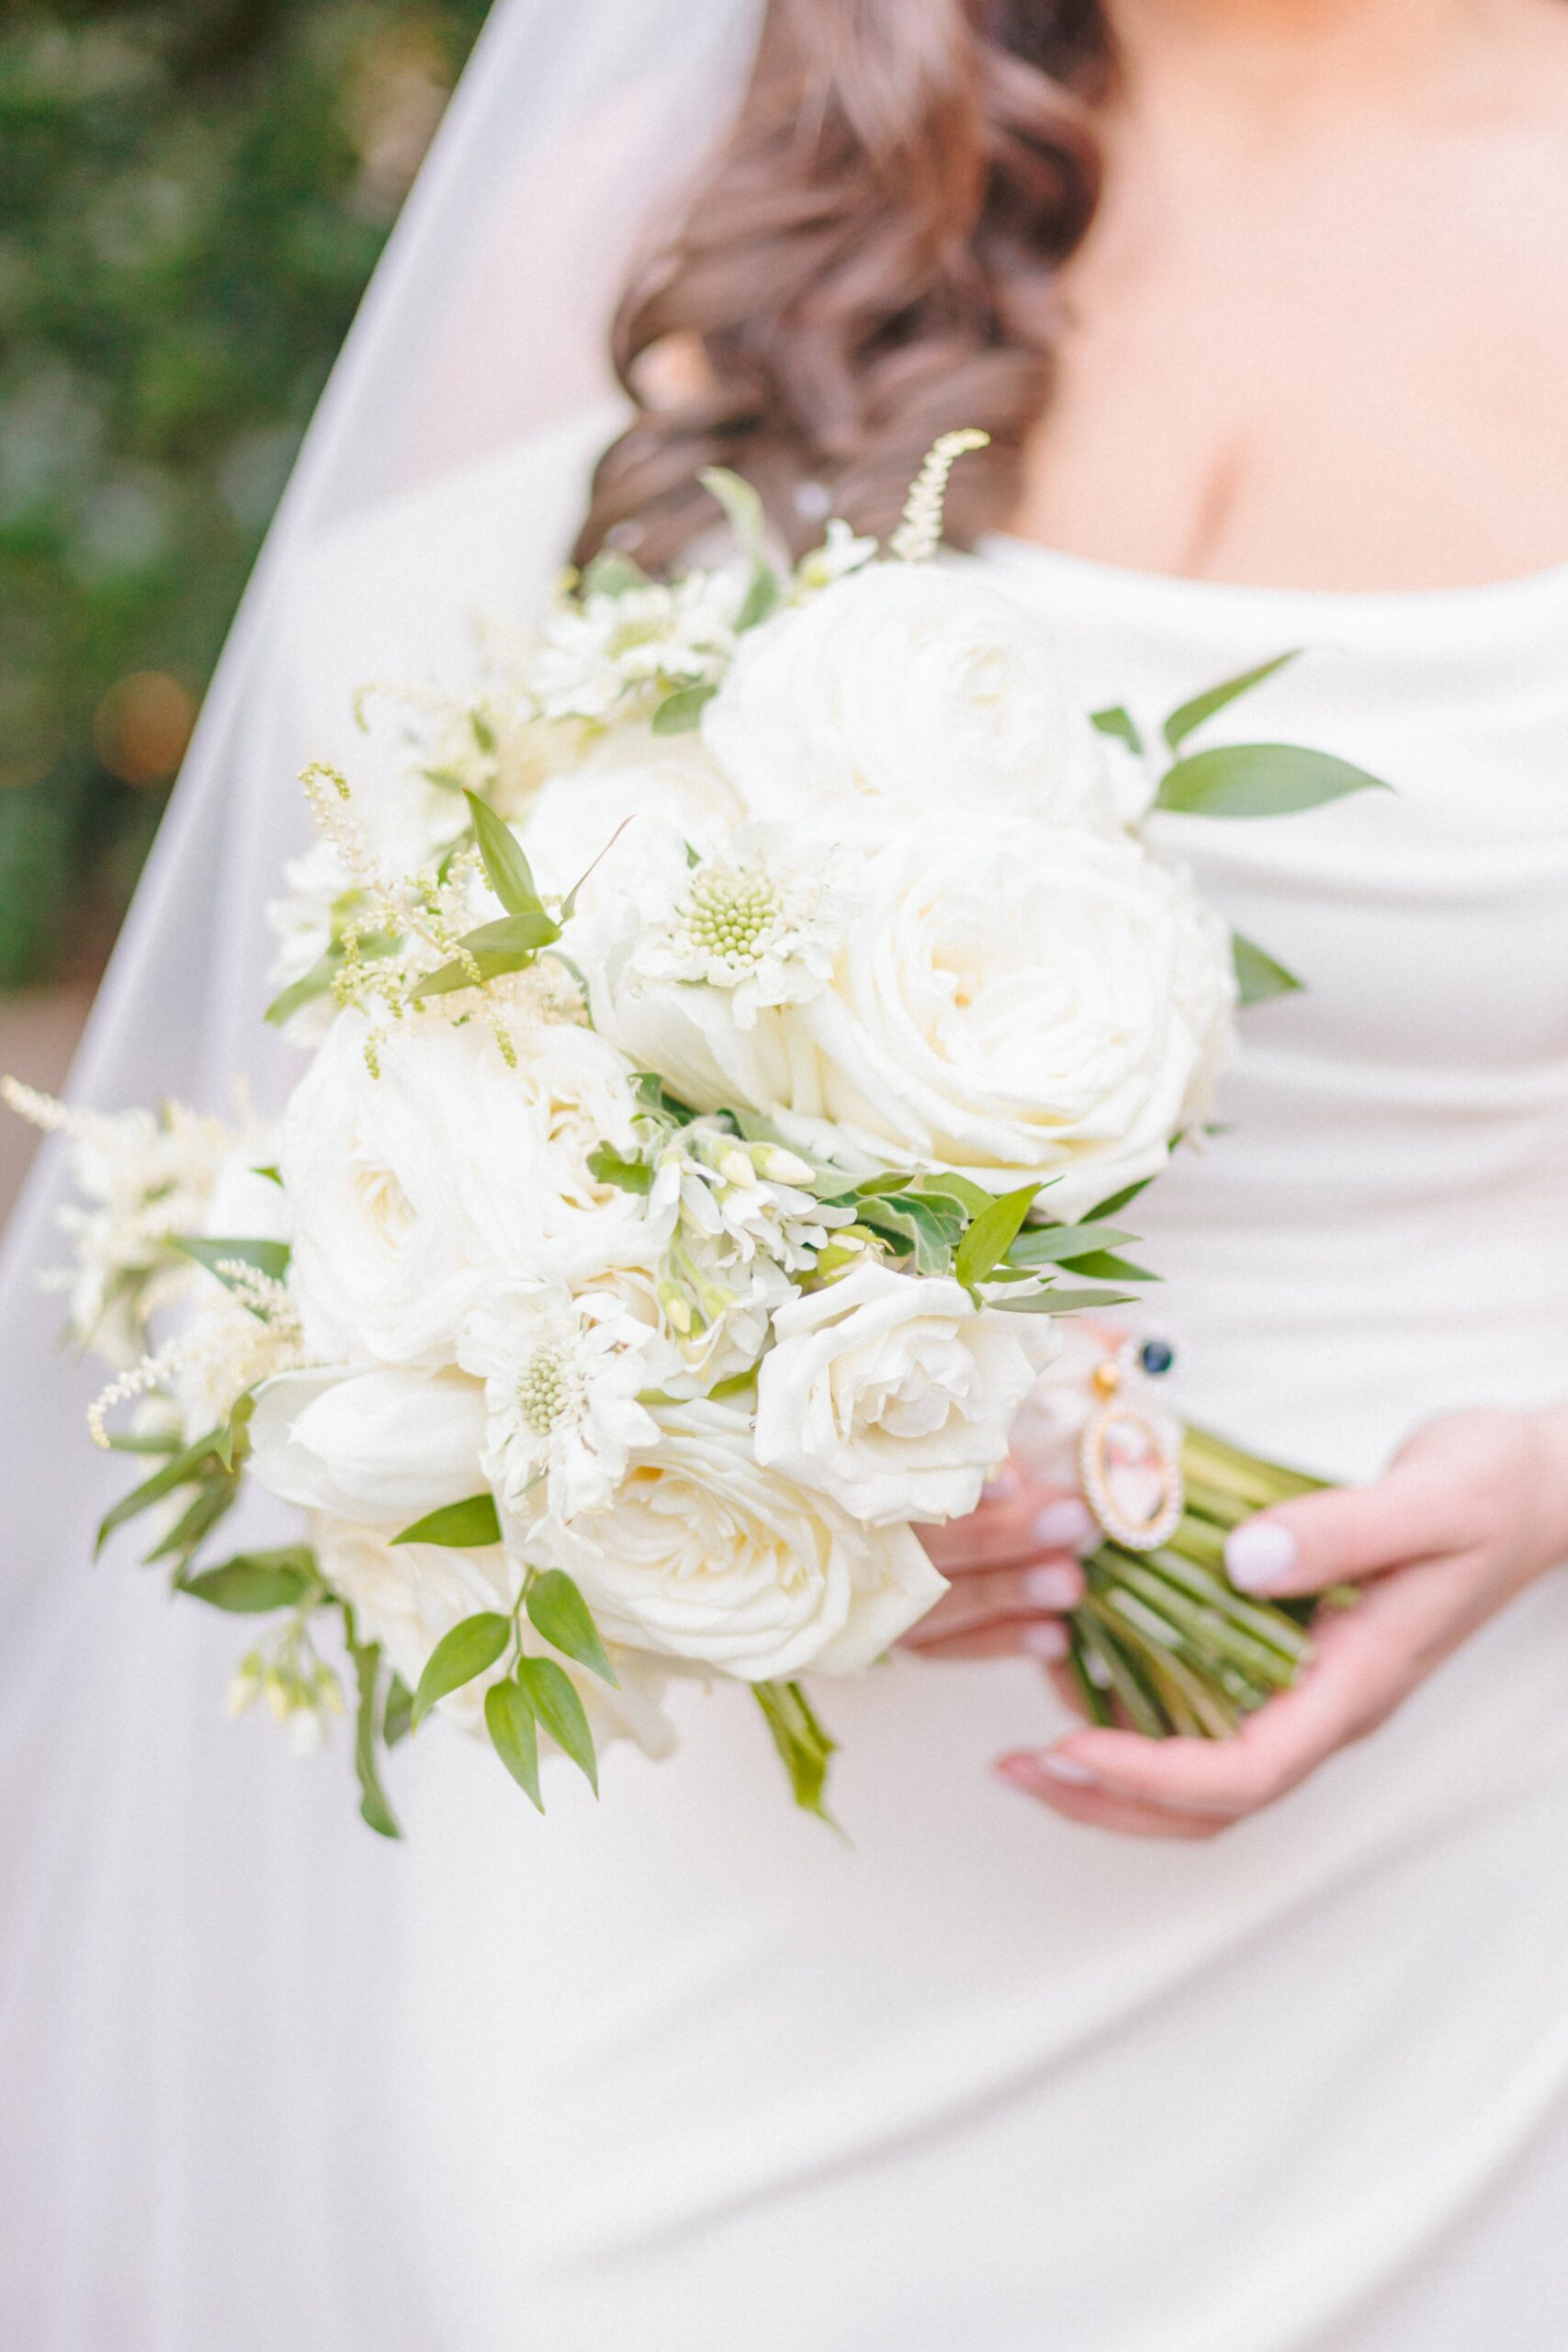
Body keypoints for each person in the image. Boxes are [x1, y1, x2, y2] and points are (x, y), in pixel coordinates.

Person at [5, 2, 1568, 2345]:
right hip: (706, 1934)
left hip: (1448, 1892)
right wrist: (610, 1353)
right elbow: (375, 974)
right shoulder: (681, 193)